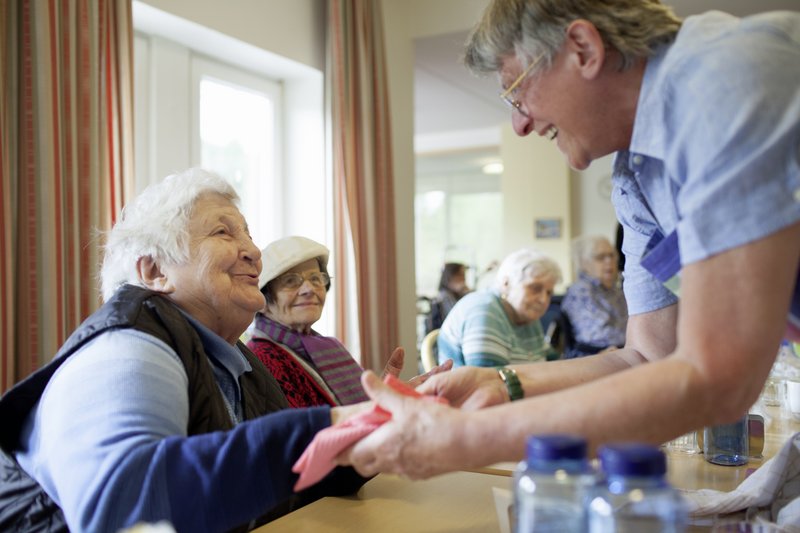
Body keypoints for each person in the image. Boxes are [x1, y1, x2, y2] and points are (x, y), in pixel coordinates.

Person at [336, 0, 800, 481]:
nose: (519, 124)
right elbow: (645, 358)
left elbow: (719, 380)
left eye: (516, 92)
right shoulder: (636, 177)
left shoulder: (725, 81)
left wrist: (465, 439)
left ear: (582, 48)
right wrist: (501, 383)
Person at [0, 168, 368, 532]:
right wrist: (325, 427)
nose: (255, 252)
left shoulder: (237, 361)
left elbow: (296, 477)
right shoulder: (128, 348)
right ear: (155, 270)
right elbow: (127, 507)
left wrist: (380, 422)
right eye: (223, 232)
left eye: (249, 235)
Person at [246, 235, 451, 408]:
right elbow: (304, 437)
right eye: (291, 281)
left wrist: (386, 394)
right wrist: (382, 403)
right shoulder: (261, 359)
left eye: (316, 279)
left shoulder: (324, 347)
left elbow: (354, 413)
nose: (309, 289)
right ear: (262, 300)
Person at [437, 248, 561, 367]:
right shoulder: (485, 311)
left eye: (549, 292)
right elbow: (489, 380)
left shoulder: (526, 316)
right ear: (506, 284)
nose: (543, 300)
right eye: (535, 288)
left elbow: (553, 364)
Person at [560, 235, 628, 358]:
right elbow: (599, 335)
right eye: (600, 257)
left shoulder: (615, 290)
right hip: (592, 356)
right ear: (584, 263)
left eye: (612, 255)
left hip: (620, 351)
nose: (609, 261)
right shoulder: (580, 292)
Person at [425, 262, 471, 333]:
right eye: (460, 275)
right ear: (450, 277)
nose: (463, 279)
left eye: (464, 276)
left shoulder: (458, 295)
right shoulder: (444, 296)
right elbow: (458, 318)